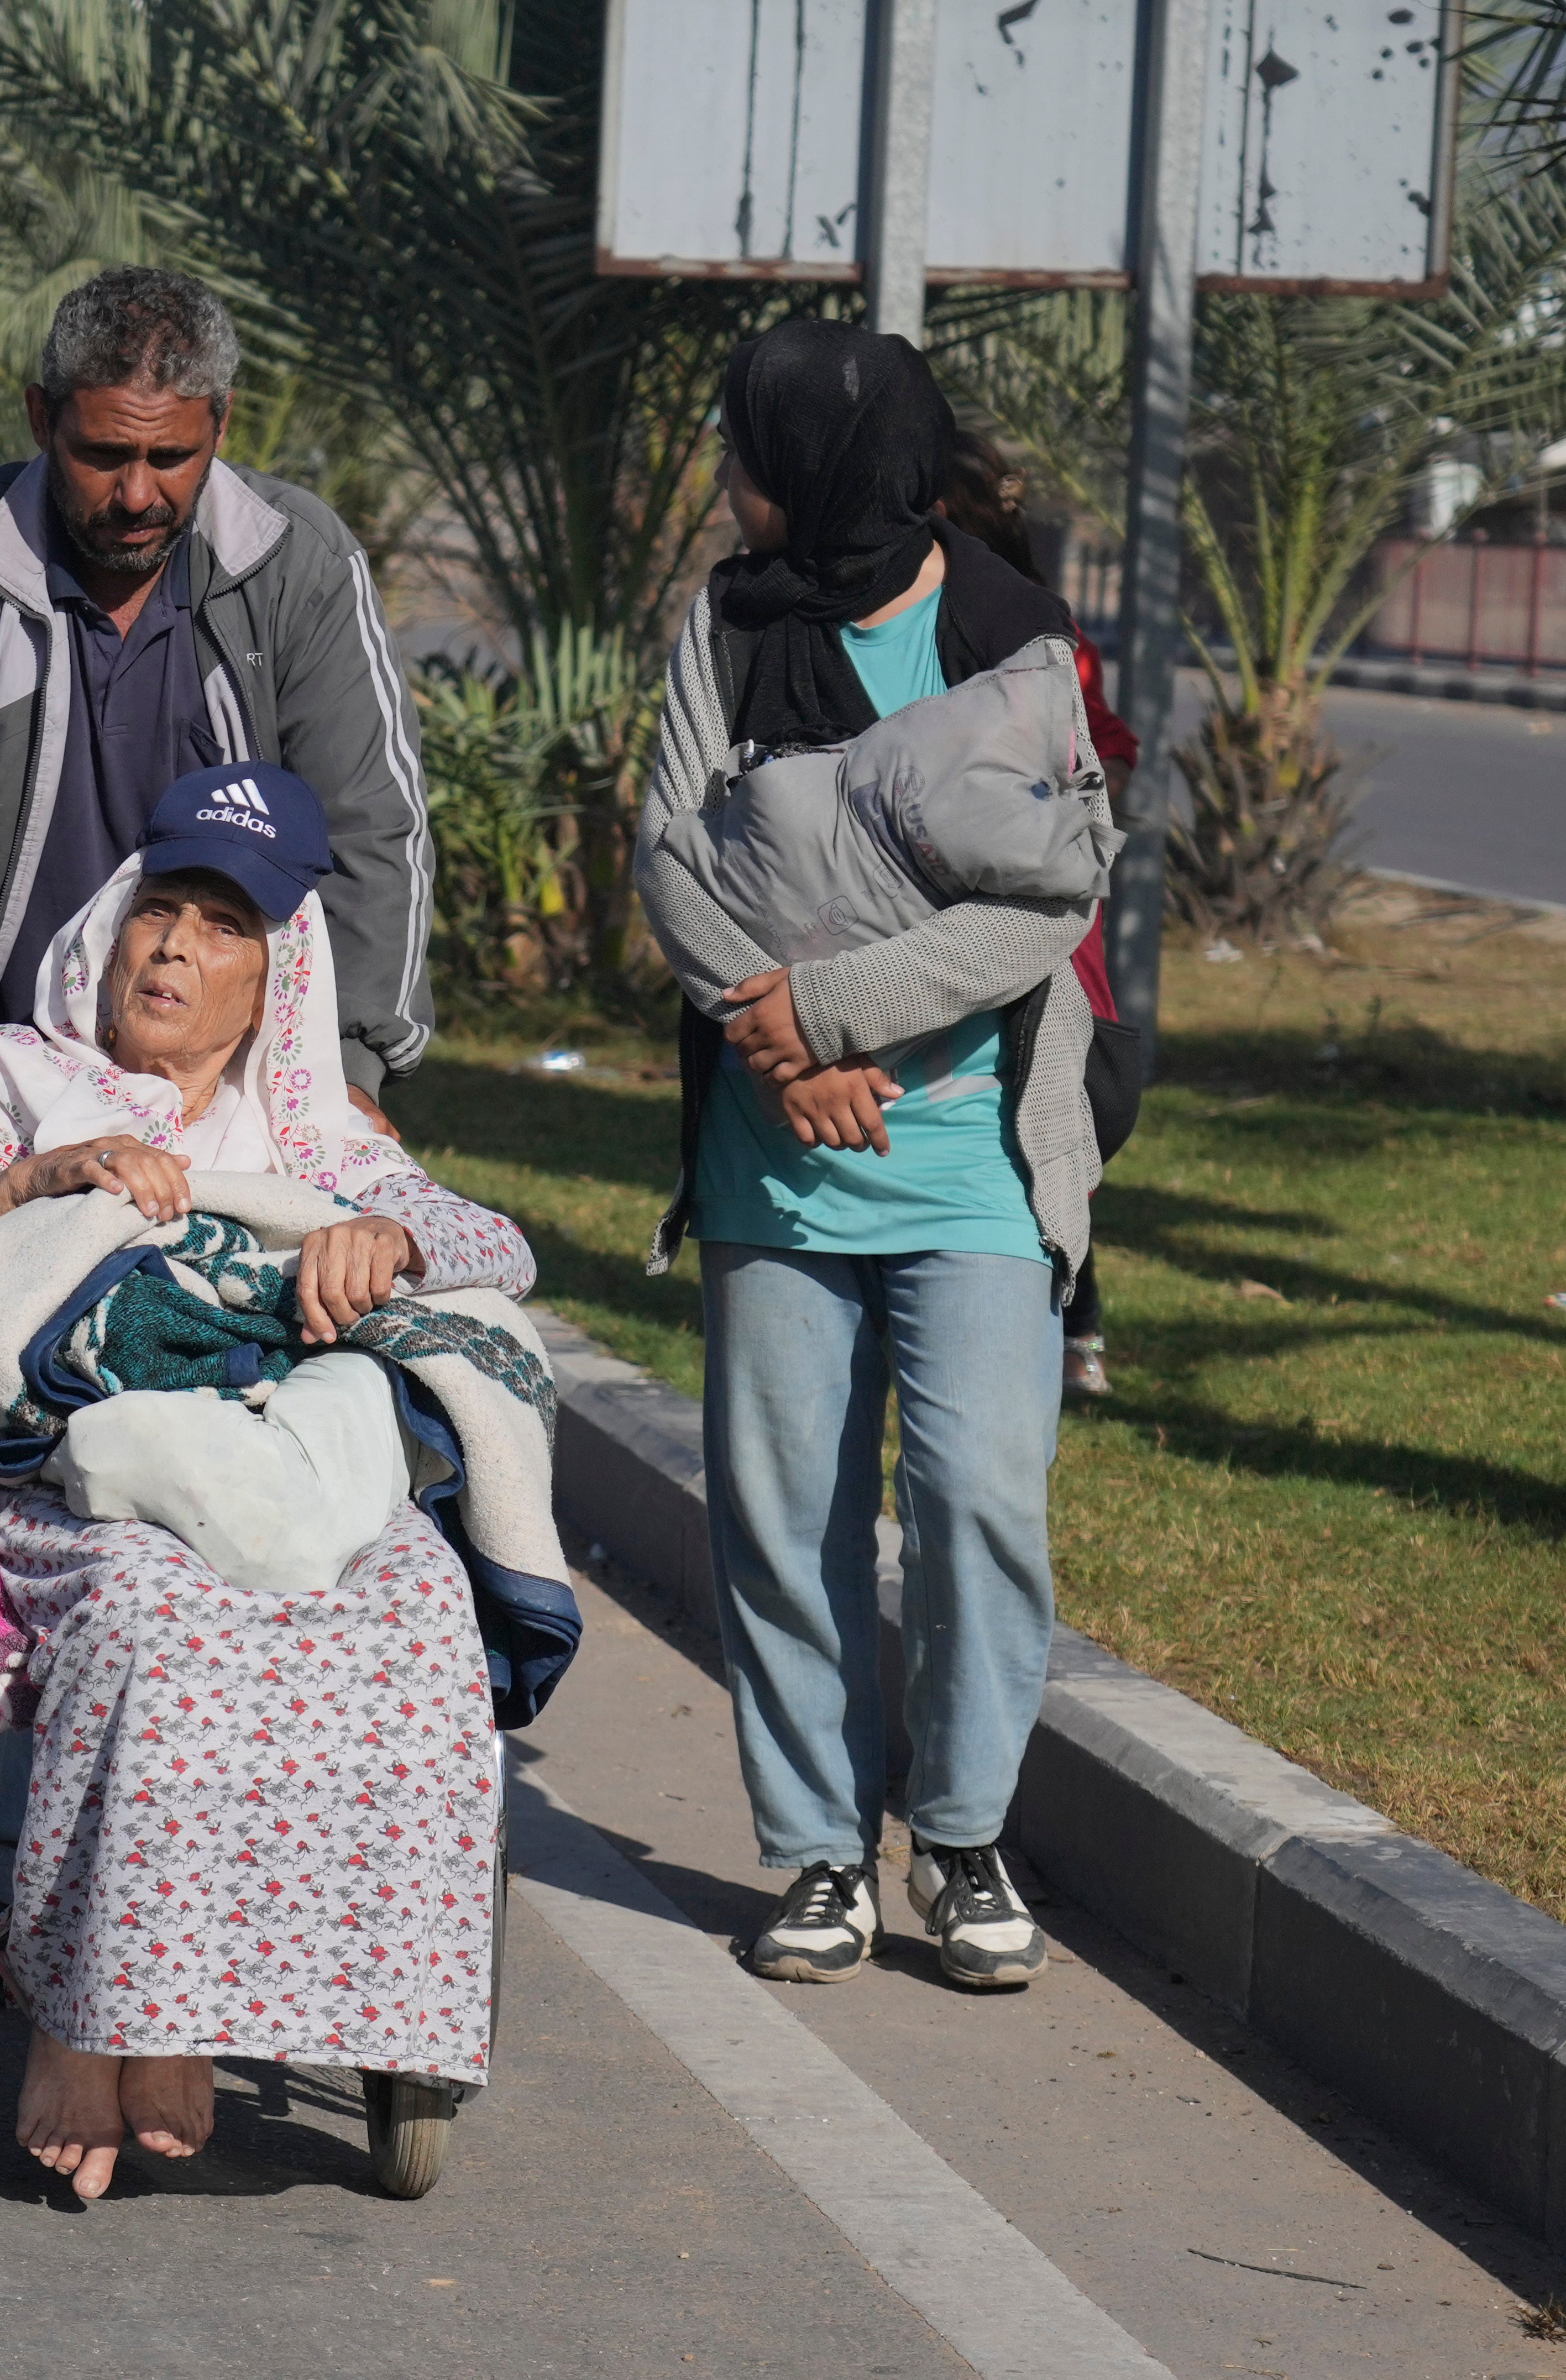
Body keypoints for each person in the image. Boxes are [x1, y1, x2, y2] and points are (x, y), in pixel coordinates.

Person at [0, 762, 537, 2201]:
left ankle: (245, 2000)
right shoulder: (3, 1086)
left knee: (415, 1615)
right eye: (162, 910)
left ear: (275, 973)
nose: (172, 949)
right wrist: (36, 1185)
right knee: (163, 1621)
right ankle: (104, 2017)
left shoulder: (318, 1139)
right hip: (74, 1479)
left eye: (220, 928)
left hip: (290, 1470)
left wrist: (382, 1249)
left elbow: (498, 1251)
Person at [633, 318, 1102, 1996]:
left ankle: (962, 1833)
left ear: (830, 464)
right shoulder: (728, 624)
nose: (731, 483)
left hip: (971, 1150)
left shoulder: (1007, 630)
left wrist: (826, 1010)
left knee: (978, 1493)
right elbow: (671, 854)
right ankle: (817, 1849)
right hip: (776, 1163)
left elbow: (1050, 897)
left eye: (747, 452)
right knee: (785, 1515)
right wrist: (783, 1052)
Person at [0, 265, 433, 1129]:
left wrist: (349, 1072)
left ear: (221, 423)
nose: (138, 495)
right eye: (103, 455)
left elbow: (375, 828)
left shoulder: (301, 566)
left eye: (171, 457)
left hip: (237, 1100)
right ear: (42, 418)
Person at [938, 425, 1143, 1400]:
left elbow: (1106, 757)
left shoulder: (1038, 637)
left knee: (1050, 1109)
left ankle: (1075, 1316)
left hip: (1042, 932)